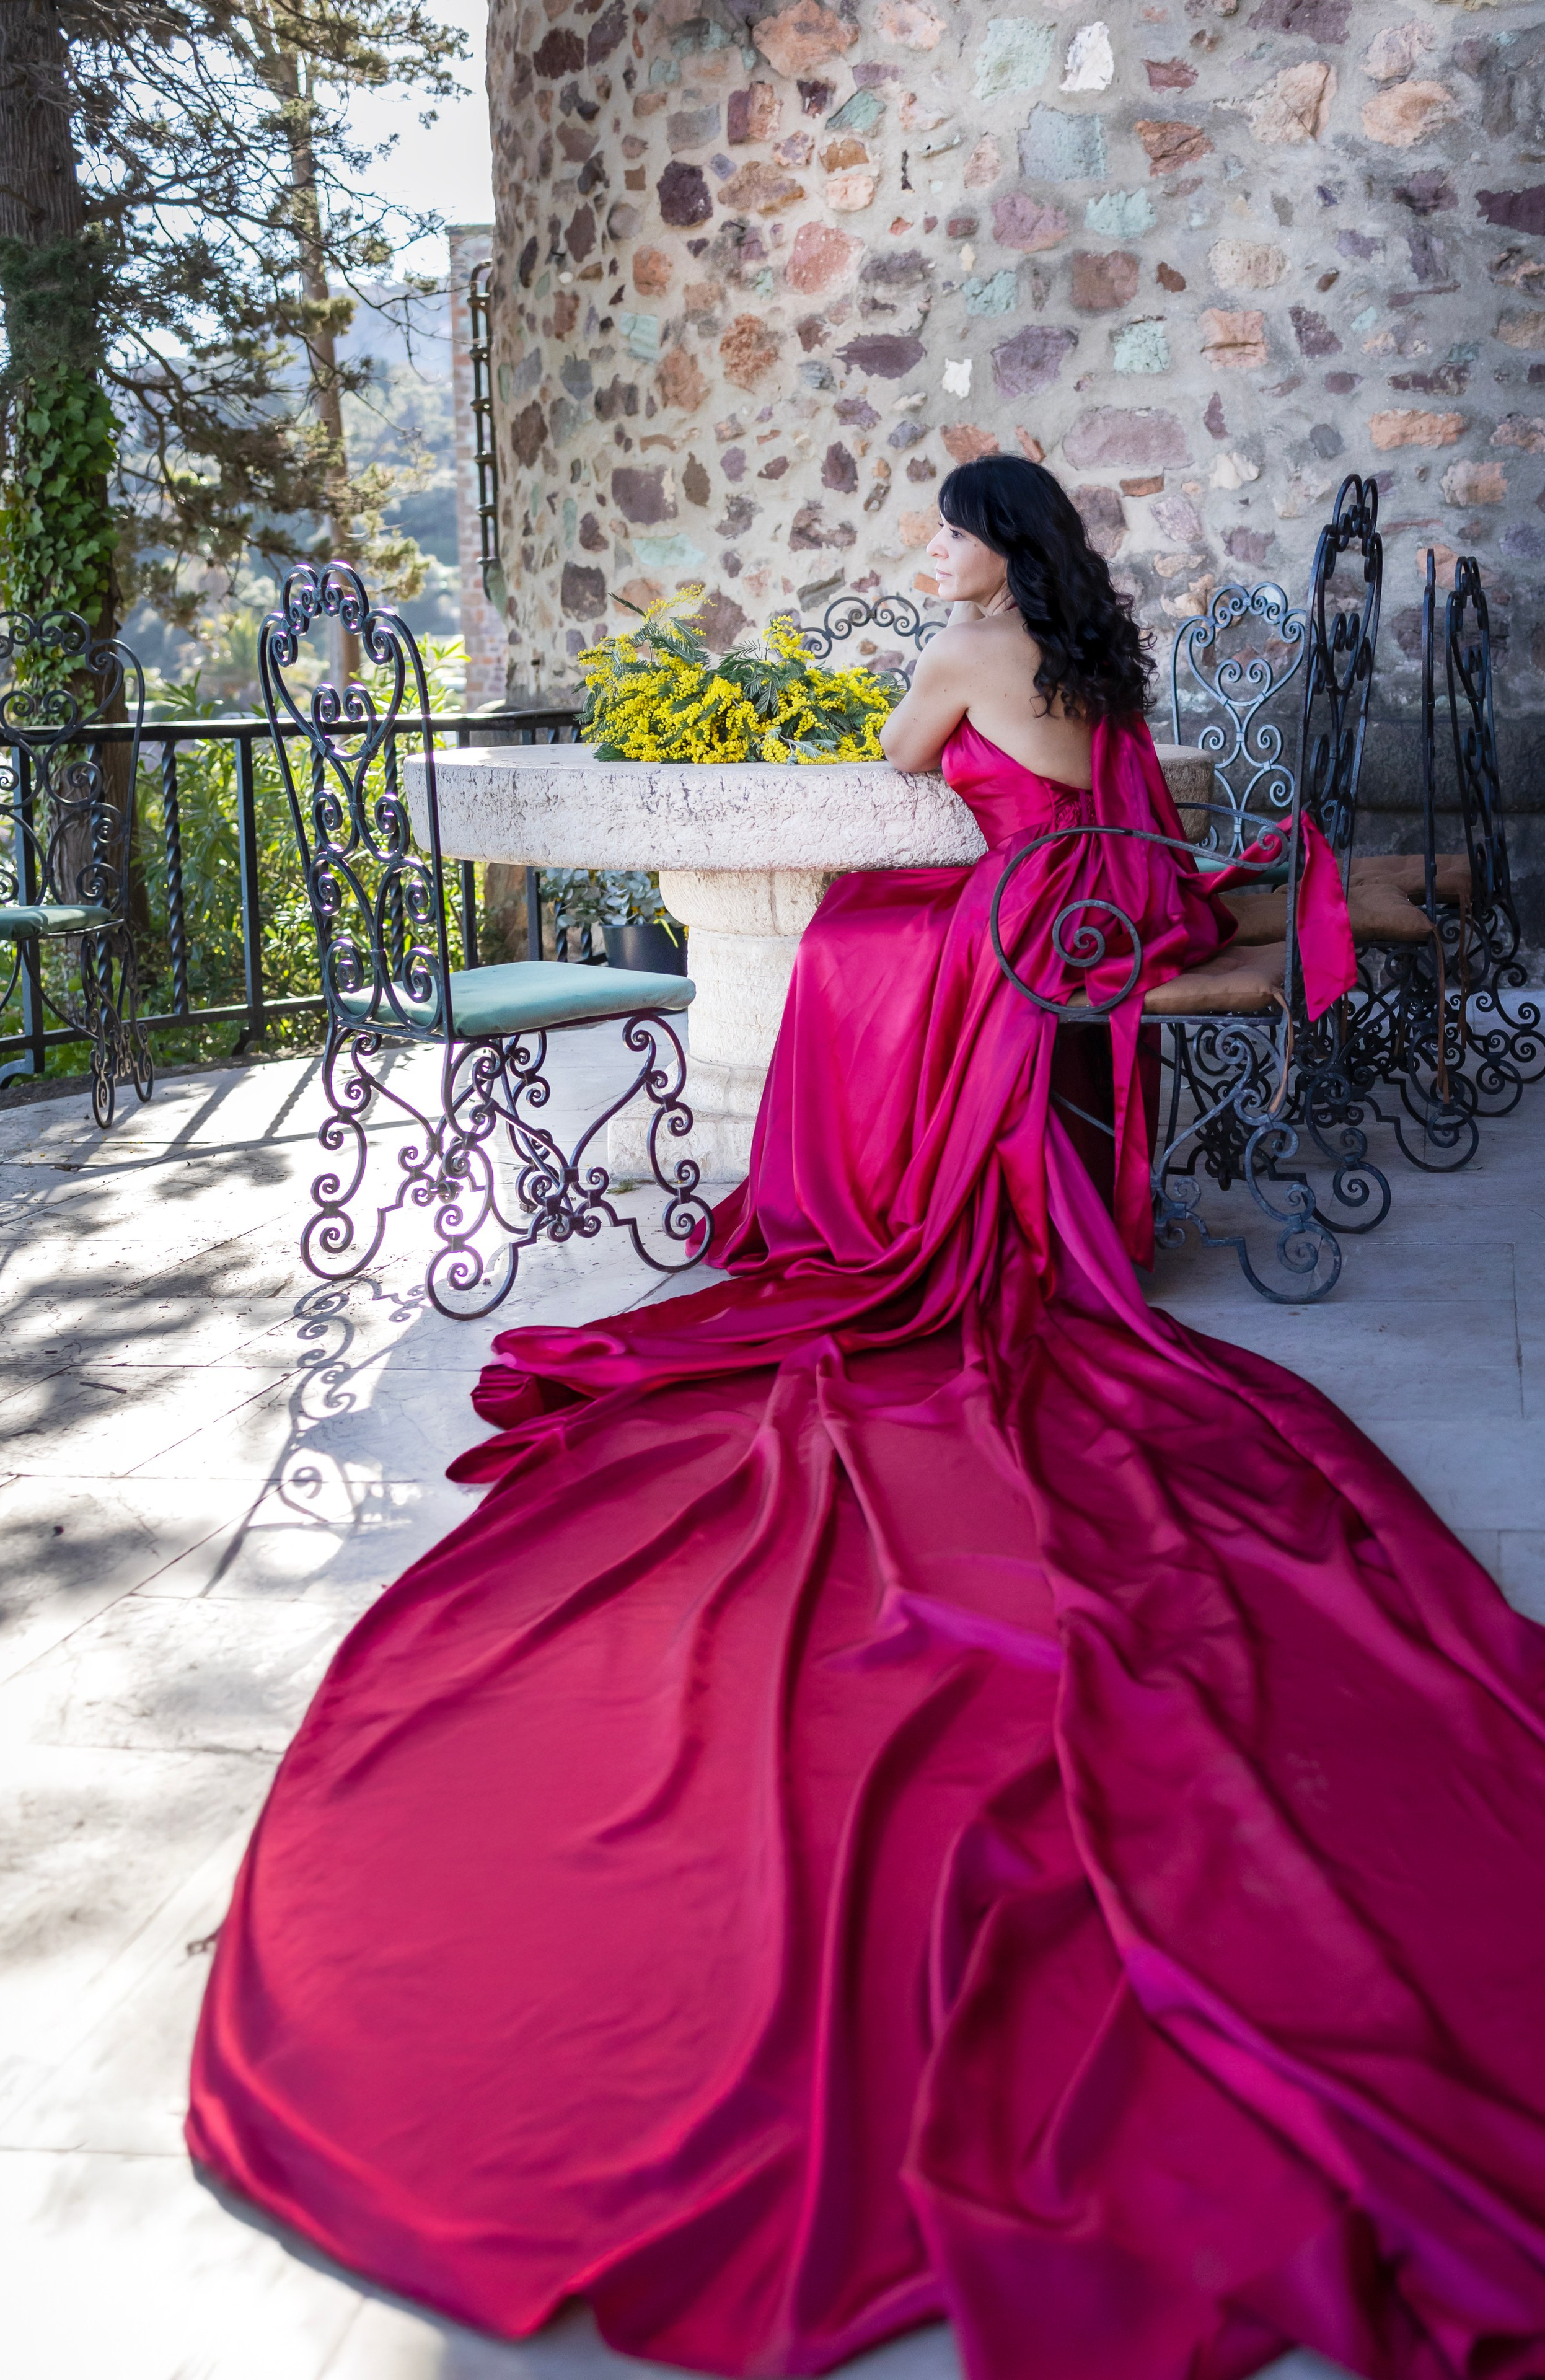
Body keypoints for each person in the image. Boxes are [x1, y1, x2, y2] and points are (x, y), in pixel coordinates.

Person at [189, 459, 1545, 2380]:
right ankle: (1339, 928)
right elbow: (1096, 793)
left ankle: (849, 1197)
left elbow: (904, 770)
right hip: (1114, 896)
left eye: (951, 524)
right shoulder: (1092, 641)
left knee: (852, 939)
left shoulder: (973, 641)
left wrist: (933, 679)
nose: (937, 548)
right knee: (924, 922)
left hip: (1030, 925)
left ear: (996, 545)